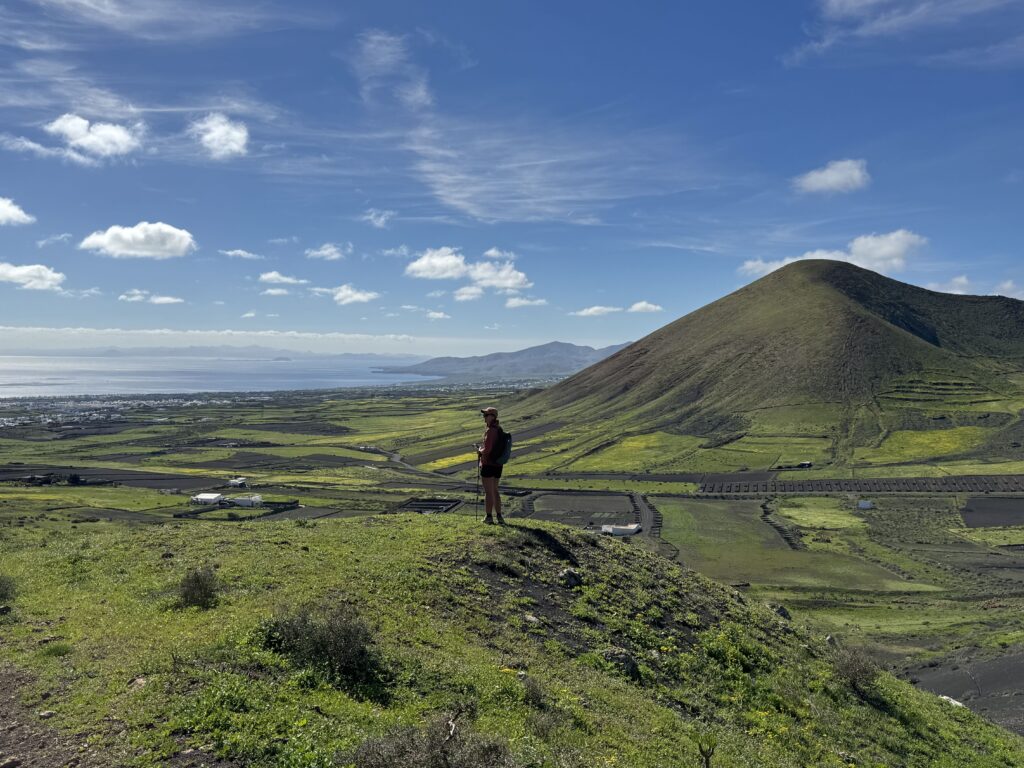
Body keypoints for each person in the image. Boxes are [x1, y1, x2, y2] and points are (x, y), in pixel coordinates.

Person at [477, 406, 505, 525]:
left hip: (488, 464)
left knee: (488, 492)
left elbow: (487, 449)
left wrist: (480, 451)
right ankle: (499, 516)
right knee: (495, 490)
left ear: (492, 417)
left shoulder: (490, 431)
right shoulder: (499, 429)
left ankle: (489, 517)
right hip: (498, 464)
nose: (484, 417)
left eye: (486, 415)